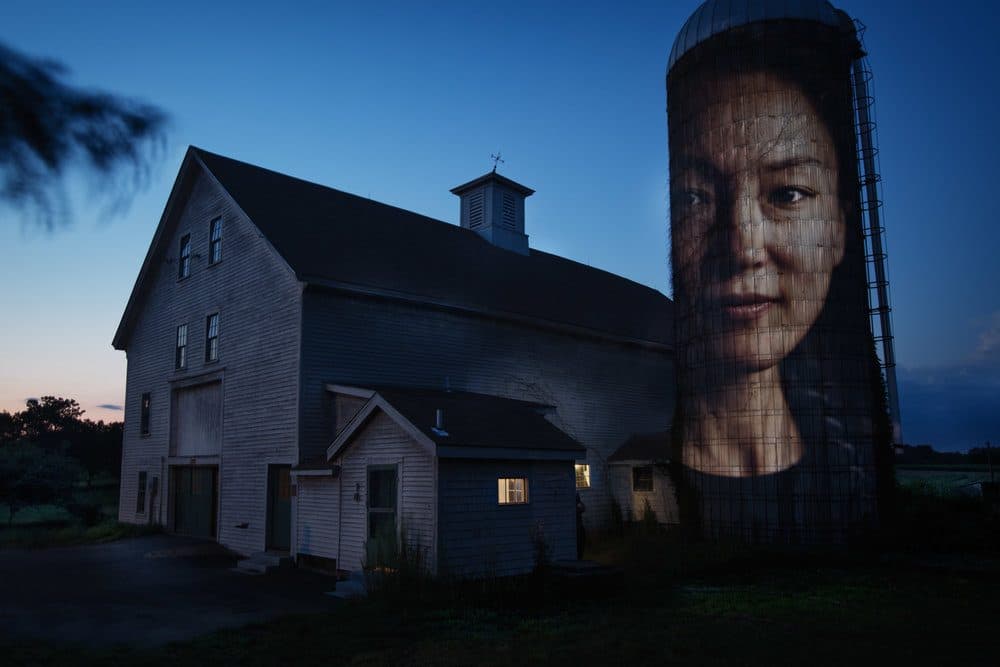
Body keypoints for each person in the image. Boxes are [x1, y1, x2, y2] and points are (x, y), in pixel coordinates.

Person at [667, 21, 886, 541]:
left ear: (838, 231)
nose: (743, 248)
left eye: (787, 194)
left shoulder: (847, 468)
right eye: (696, 197)